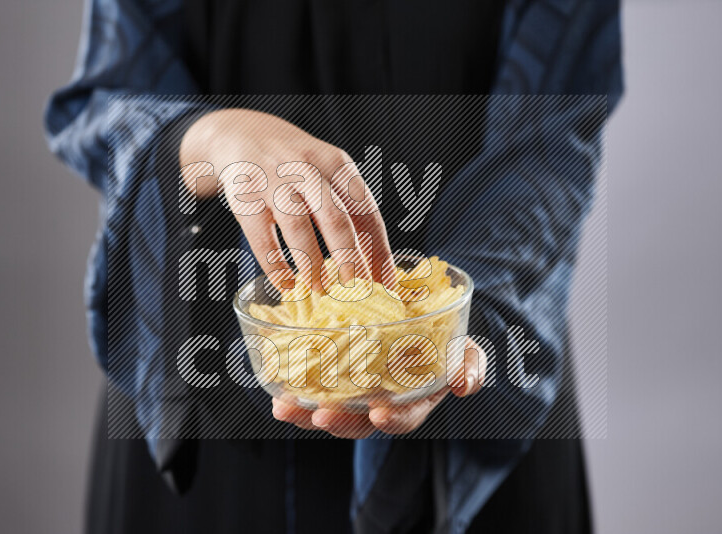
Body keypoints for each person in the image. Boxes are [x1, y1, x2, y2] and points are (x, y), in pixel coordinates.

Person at [45, 0, 623, 532]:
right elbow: (109, 93)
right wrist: (207, 141)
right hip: (210, 401)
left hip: (481, 369)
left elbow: (554, 123)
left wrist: (450, 321)